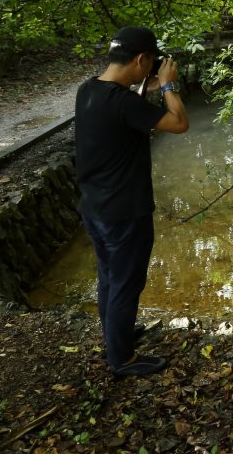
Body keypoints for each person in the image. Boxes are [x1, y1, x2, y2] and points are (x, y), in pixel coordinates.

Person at [75, 26, 189, 377]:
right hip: (125, 211)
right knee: (126, 282)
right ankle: (121, 360)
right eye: (152, 64)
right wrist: (168, 86)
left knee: (110, 277)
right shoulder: (124, 102)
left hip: (95, 207)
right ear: (141, 59)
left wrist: (147, 87)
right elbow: (179, 123)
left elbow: (124, 110)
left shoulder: (89, 91)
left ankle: (116, 335)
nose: (153, 70)